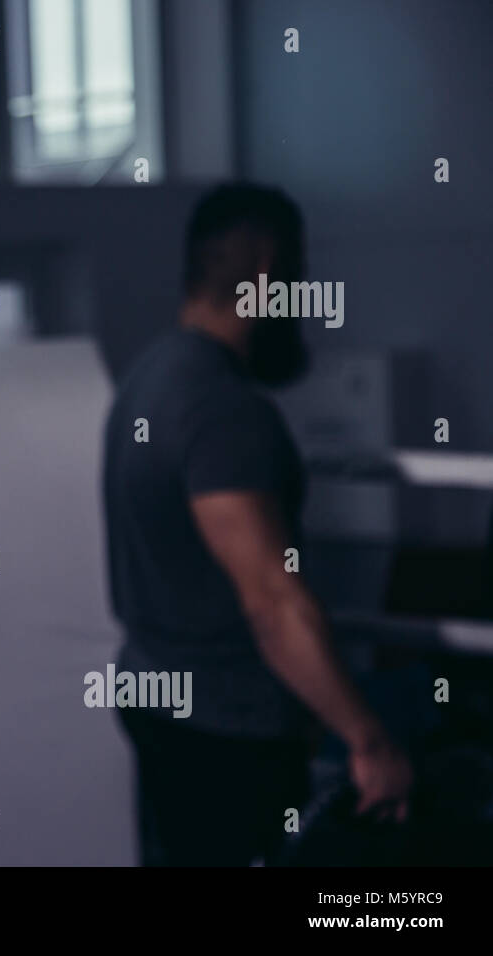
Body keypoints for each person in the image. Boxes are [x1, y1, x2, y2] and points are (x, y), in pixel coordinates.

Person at [101, 182, 412, 866]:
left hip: (160, 706)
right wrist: (368, 740)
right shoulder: (220, 409)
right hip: (226, 732)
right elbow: (273, 602)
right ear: (270, 278)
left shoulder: (144, 380)